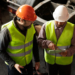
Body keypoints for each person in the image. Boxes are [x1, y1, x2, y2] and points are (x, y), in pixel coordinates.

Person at [0, 4, 40, 75]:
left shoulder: (31, 27)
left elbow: (34, 44)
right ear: (21, 20)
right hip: (15, 66)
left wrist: (37, 60)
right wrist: (13, 64)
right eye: (30, 20)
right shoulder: (7, 31)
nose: (33, 23)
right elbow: (1, 50)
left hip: (28, 63)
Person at [37, 5, 75, 75]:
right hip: (50, 62)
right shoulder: (46, 25)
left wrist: (68, 52)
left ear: (66, 19)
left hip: (65, 62)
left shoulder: (72, 28)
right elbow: (39, 41)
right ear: (54, 17)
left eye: (62, 21)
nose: (59, 23)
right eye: (58, 20)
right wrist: (47, 43)